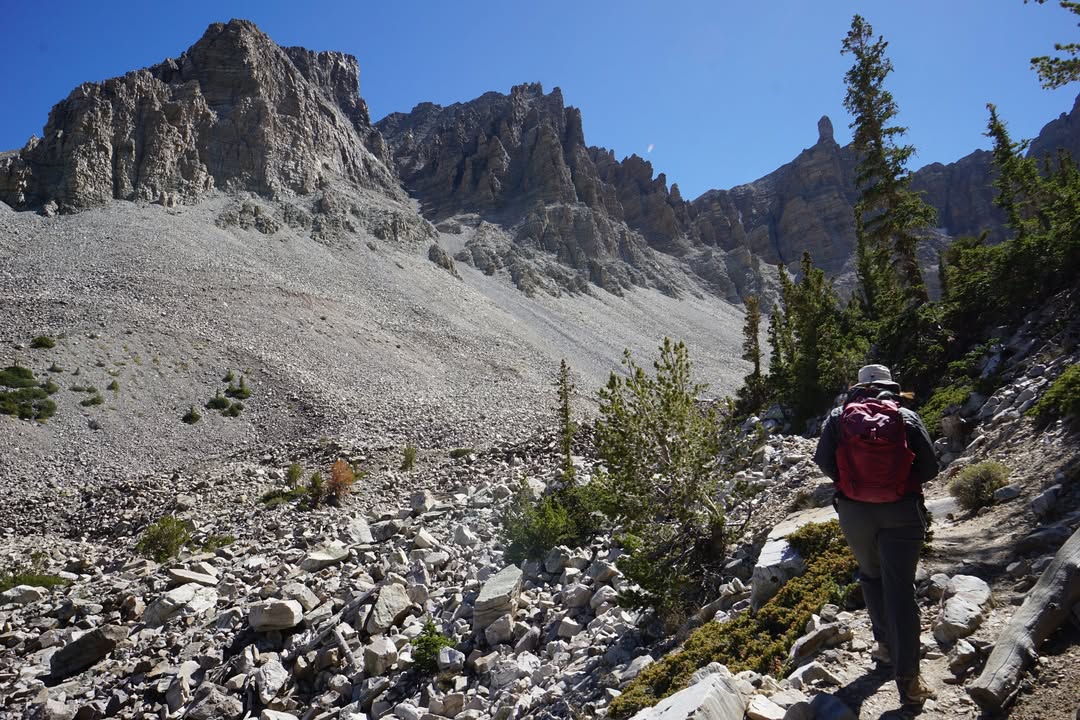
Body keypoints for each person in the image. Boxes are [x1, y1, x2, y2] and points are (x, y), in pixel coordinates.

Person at [813, 363, 939, 708]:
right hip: (901, 512)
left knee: (871, 577)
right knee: (901, 592)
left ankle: (884, 650)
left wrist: (852, 485)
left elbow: (823, 462)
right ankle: (909, 683)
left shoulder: (838, 418)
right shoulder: (906, 416)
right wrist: (899, 483)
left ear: (859, 387)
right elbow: (930, 467)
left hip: (854, 514)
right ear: (890, 386)